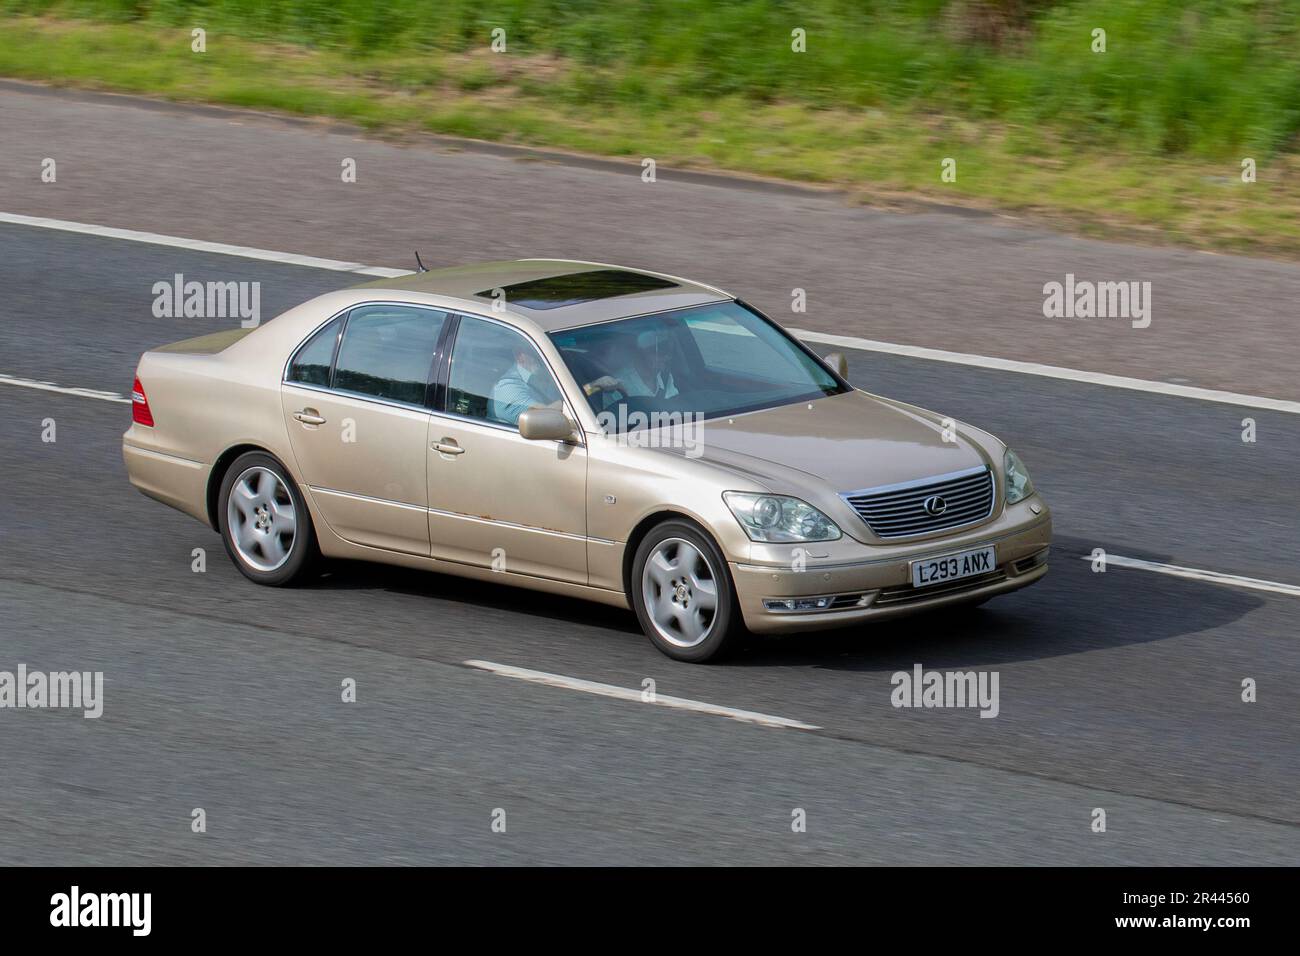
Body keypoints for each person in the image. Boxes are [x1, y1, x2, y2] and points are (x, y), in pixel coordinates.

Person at [490, 347, 563, 426]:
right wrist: (569, 403)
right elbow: (543, 418)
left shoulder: (545, 375)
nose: (545, 357)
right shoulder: (508, 386)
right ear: (519, 355)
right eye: (536, 351)